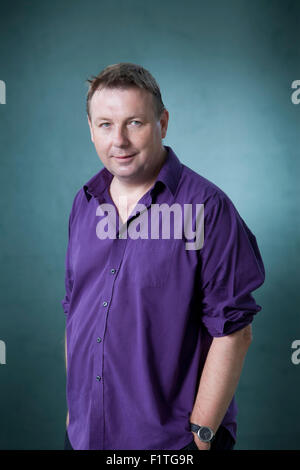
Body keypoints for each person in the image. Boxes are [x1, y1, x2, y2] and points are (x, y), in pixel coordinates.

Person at [61, 62, 265, 451]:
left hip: (171, 445)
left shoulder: (208, 208)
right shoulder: (84, 203)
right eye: (105, 124)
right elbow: (76, 311)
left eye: (134, 122)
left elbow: (234, 332)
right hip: (85, 437)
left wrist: (202, 436)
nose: (118, 140)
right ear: (90, 128)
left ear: (162, 123)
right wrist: (75, 415)